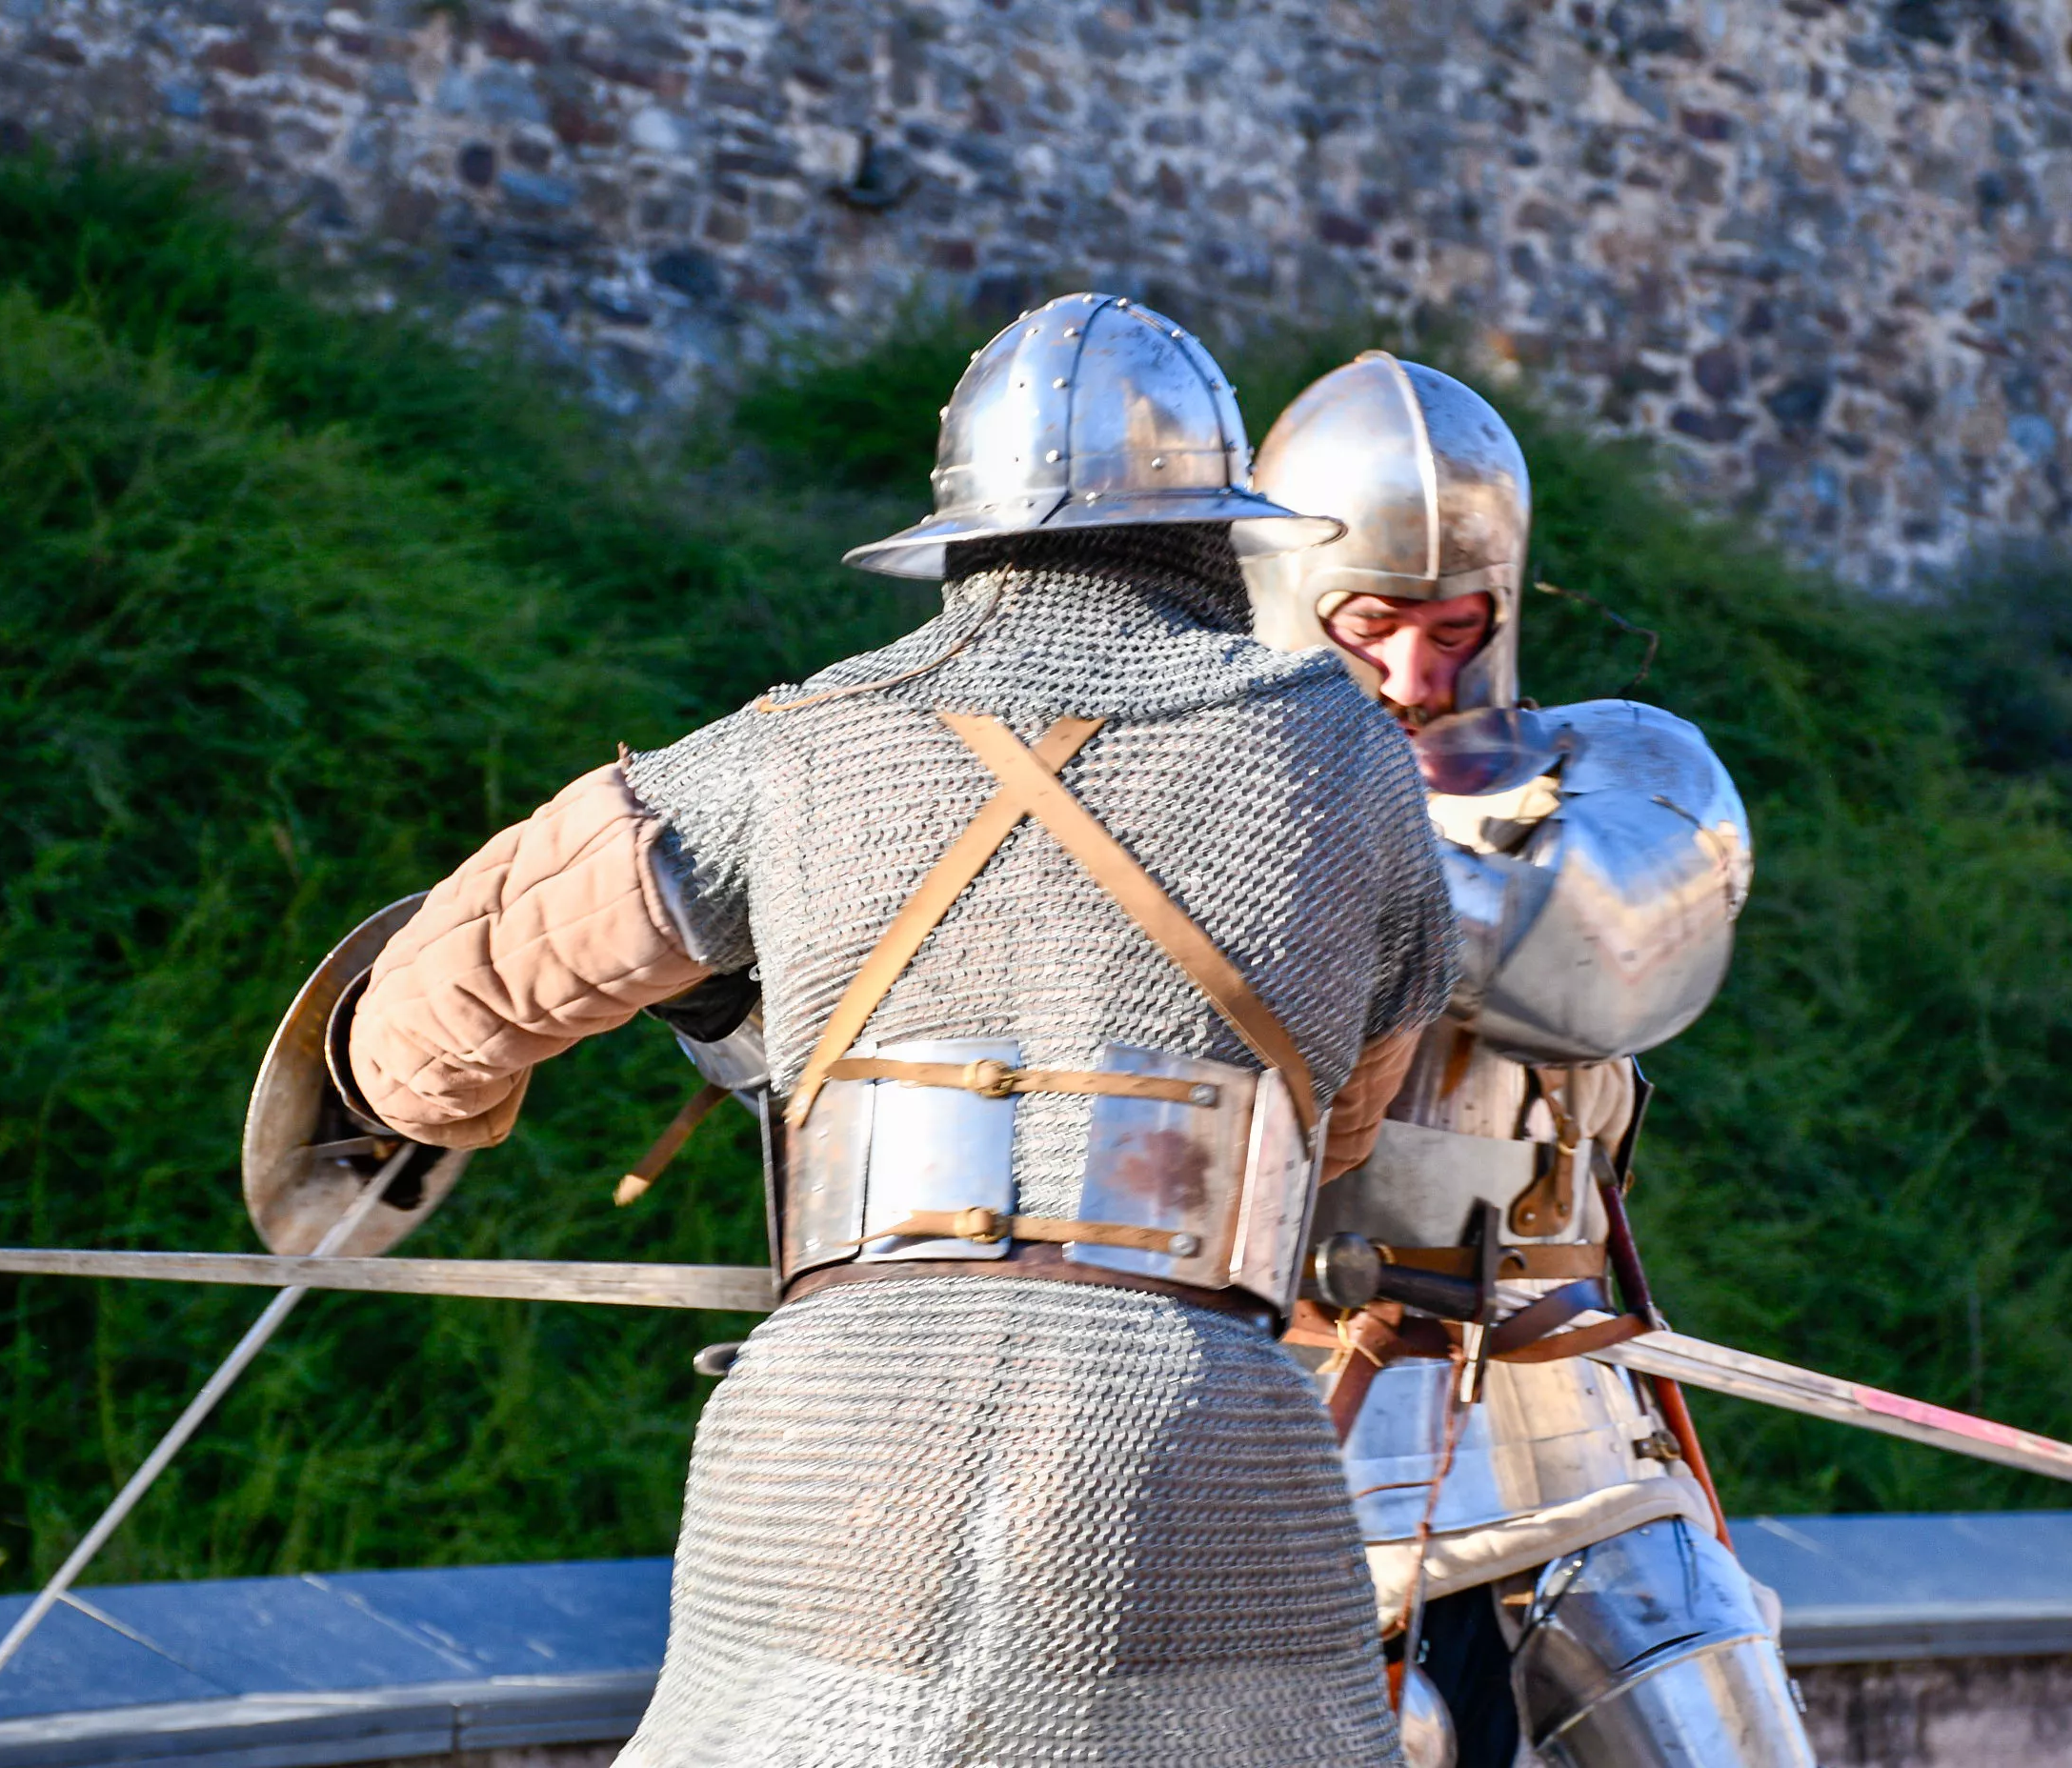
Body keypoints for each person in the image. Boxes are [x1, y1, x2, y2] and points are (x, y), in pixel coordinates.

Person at [340, 291, 1458, 1767]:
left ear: (966, 535)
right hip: (1189, 1439)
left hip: (847, 1434)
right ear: (1217, 528)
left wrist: (406, 1105)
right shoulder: (1346, 756)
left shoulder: (800, 745)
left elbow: (427, 1022)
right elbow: (1342, 1132)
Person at [1247, 352, 1811, 1768]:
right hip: (1274, 1418)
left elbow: (1616, 959)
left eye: (1454, 629)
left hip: (1562, 1420)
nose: (1411, 675)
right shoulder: (1200, 769)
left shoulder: (1615, 764)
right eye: (1370, 627)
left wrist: (1320, 850)